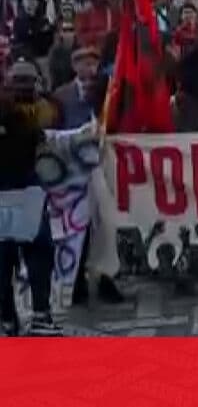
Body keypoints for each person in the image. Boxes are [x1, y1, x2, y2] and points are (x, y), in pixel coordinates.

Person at [0, 93, 60, 336]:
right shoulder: (23, 115)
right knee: (17, 258)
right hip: (21, 193)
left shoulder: (23, 116)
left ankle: (22, 317)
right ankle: (29, 316)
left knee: (30, 255)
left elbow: (41, 147)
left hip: (22, 193)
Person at [54, 46, 99, 128]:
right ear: (75, 66)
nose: (93, 69)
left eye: (95, 64)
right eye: (88, 64)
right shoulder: (61, 95)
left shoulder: (106, 90)